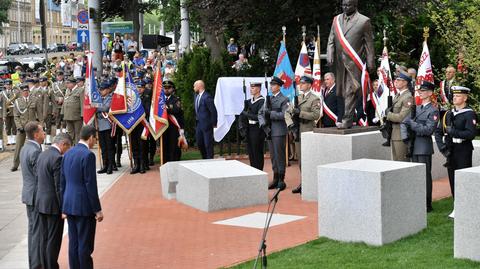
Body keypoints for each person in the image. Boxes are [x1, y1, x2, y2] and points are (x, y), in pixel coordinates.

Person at [327, 0, 375, 129]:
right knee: (341, 92)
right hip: (339, 63)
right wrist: (329, 54)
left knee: (351, 89)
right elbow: (331, 39)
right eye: (343, 5)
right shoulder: (336, 20)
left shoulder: (364, 21)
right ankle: (347, 117)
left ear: (355, 5)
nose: (345, 7)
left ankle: (347, 119)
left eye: (348, 5)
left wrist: (370, 62)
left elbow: (369, 44)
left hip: (354, 63)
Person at [61, 125, 103, 269]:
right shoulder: (88, 155)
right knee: (84, 245)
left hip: (69, 204)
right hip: (84, 206)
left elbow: (62, 182)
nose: (95, 141)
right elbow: (90, 184)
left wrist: (63, 205)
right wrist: (97, 209)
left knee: (73, 243)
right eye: (95, 138)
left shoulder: (68, 153)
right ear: (91, 137)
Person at [435, 86, 477, 218]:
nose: (454, 98)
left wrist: (454, 132)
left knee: (462, 179)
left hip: (463, 150)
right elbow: (438, 131)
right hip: (451, 150)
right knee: (452, 179)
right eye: (454, 96)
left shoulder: (469, 114)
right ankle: (456, 205)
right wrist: (442, 148)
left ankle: (465, 205)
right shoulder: (449, 113)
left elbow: (471, 134)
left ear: (465, 98)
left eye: (458, 96)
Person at [36, 133, 72, 269]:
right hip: (53, 205)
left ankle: (45, 265)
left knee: (44, 238)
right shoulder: (57, 158)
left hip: (41, 203)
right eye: (68, 148)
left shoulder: (42, 154)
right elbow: (59, 186)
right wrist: (64, 208)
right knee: (53, 239)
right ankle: (51, 266)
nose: (67, 152)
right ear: (63, 144)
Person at [402, 81, 439, 212]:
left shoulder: (433, 110)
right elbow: (404, 122)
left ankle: (427, 204)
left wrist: (413, 125)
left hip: (423, 146)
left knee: (424, 176)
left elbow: (428, 130)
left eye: (423, 91)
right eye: (420, 91)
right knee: (416, 175)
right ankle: (417, 201)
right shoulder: (416, 108)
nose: (420, 92)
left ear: (430, 93)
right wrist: (405, 137)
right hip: (413, 145)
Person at [20, 121, 45, 269]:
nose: (44, 134)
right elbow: (40, 176)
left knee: (33, 230)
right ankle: (36, 264)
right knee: (37, 232)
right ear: (36, 135)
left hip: (29, 194)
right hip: (35, 196)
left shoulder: (25, 148)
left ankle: (34, 262)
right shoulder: (35, 151)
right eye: (42, 132)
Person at [290, 75, 321, 194]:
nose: (300, 85)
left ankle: (309, 183)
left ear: (309, 85)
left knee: (308, 159)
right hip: (298, 131)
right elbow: (290, 112)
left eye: (303, 83)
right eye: (300, 83)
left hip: (307, 131)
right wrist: (291, 123)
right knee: (300, 160)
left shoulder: (314, 99)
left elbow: (316, 115)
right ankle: (304, 182)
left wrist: (300, 113)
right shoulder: (297, 98)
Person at [259, 76, 289, 189]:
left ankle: (281, 178)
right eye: (271, 85)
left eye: (274, 85)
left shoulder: (284, 99)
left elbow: (285, 115)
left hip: (279, 131)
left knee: (279, 155)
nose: (271, 87)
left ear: (279, 86)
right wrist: (263, 124)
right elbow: (260, 113)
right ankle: (275, 177)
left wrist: (270, 114)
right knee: (273, 156)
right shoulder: (268, 99)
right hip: (269, 130)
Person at [385, 71, 414, 161]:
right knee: (396, 162)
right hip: (394, 134)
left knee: (402, 162)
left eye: (398, 80)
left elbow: (402, 117)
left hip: (402, 136)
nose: (395, 82)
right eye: (395, 80)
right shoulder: (398, 96)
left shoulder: (408, 97)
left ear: (405, 82)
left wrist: (388, 115)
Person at [12, 84, 40, 172]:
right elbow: (16, 116)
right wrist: (19, 127)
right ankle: (15, 165)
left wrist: (39, 124)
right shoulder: (17, 101)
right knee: (18, 146)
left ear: (29, 91)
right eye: (24, 91)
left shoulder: (34, 100)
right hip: (22, 127)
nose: (25, 93)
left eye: (27, 91)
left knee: (35, 145)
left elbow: (39, 113)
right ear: (21, 92)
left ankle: (37, 163)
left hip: (32, 127)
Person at [240, 82, 266, 170]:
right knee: (251, 151)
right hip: (250, 128)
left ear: (258, 89)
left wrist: (247, 114)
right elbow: (243, 115)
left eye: (253, 88)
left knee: (257, 151)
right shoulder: (249, 101)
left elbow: (259, 117)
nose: (251, 89)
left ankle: (259, 171)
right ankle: (253, 170)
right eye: (251, 88)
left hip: (257, 129)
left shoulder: (262, 101)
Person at [162, 80, 186, 163]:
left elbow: (176, 110)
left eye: (169, 88)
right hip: (163, 127)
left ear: (172, 89)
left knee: (174, 147)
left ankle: (174, 163)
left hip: (173, 127)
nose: (167, 89)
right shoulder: (159, 100)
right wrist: (168, 108)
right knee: (164, 146)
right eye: (165, 88)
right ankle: (165, 163)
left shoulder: (176, 99)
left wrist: (166, 109)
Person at [193, 80, 217, 159]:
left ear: (199, 86)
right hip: (199, 124)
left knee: (208, 143)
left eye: (194, 86)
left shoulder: (207, 97)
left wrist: (214, 123)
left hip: (207, 124)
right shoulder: (196, 96)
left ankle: (210, 159)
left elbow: (213, 110)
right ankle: (204, 158)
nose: (194, 88)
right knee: (199, 142)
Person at [96, 81, 115, 174]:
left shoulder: (110, 98)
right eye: (100, 89)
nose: (101, 91)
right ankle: (105, 165)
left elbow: (106, 108)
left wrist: (96, 107)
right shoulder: (99, 98)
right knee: (103, 147)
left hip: (107, 125)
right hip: (100, 125)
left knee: (109, 147)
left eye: (103, 89)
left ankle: (110, 166)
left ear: (107, 90)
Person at [62, 77, 84, 144]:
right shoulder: (67, 90)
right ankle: (71, 146)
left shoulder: (80, 90)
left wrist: (82, 115)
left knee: (78, 133)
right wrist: (63, 112)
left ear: (73, 83)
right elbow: (65, 101)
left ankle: (77, 146)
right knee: (70, 133)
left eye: (68, 83)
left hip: (76, 116)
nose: (67, 85)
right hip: (68, 115)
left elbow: (82, 103)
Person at [2, 79, 18, 146]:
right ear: (5, 85)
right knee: (7, 127)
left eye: (10, 85)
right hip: (6, 111)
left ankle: (14, 139)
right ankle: (9, 140)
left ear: (12, 85)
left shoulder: (15, 92)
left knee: (14, 126)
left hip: (13, 110)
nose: (8, 86)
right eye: (7, 85)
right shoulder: (2, 93)